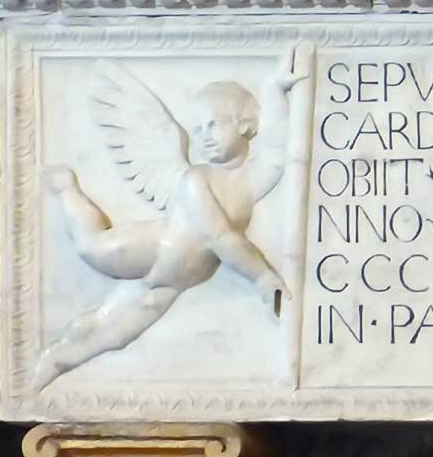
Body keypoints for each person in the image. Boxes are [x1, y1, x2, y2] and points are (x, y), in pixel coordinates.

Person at [33, 52, 306, 389]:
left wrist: (275, 88)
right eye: (198, 128)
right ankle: (66, 190)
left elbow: (277, 151)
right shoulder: (196, 179)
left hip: (171, 282)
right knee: (91, 246)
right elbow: (219, 238)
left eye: (214, 124)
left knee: (112, 335)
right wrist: (263, 277)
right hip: (153, 250)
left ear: (246, 125)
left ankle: (52, 364)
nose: (204, 135)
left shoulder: (249, 183)